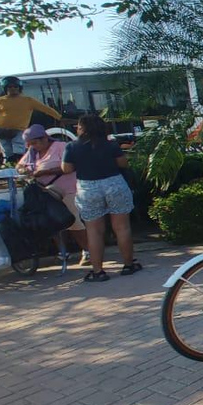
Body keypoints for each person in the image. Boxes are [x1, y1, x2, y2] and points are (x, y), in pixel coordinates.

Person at [62, 114, 140, 282]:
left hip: (88, 187)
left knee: (94, 231)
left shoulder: (72, 146)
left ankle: (98, 271)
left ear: (82, 128)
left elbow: (66, 169)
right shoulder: (110, 145)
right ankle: (128, 265)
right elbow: (123, 164)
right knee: (122, 228)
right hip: (114, 183)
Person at [16, 124, 90, 265]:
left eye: (35, 143)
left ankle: (88, 250)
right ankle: (63, 252)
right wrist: (23, 170)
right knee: (54, 222)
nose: (34, 146)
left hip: (68, 190)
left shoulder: (61, 147)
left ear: (44, 138)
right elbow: (19, 165)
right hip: (46, 193)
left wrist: (44, 172)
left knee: (73, 221)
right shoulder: (32, 153)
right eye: (30, 144)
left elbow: (70, 167)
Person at [0, 76, 62, 162]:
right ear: (5, 89)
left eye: (15, 87)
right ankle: (10, 170)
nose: (13, 89)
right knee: (7, 154)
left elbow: (46, 109)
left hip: (18, 130)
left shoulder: (28, 100)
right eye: (9, 87)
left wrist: (59, 117)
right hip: (1, 131)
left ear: (19, 88)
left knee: (18, 152)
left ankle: (20, 168)